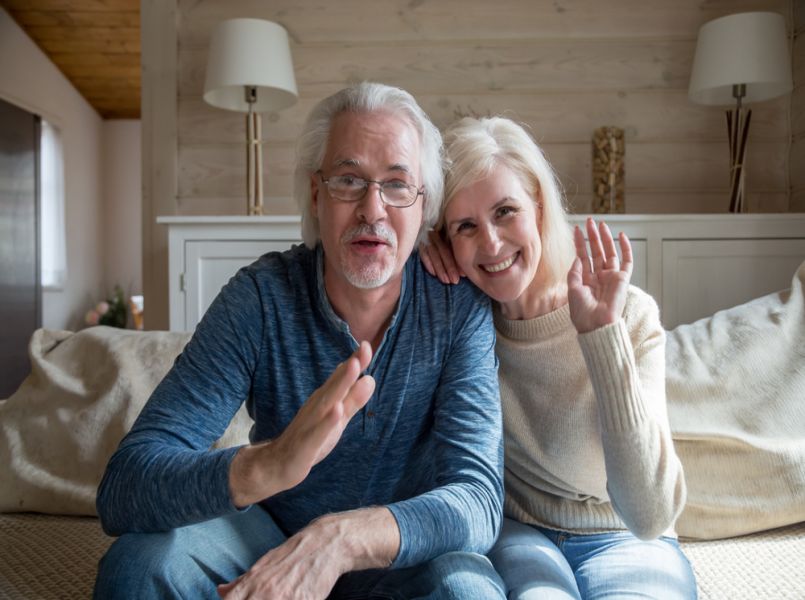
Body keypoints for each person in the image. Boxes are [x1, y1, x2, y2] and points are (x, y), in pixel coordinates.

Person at [94, 83, 507, 600]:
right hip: (269, 542)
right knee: (140, 564)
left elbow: (478, 498)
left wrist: (337, 541)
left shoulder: (457, 306)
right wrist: (266, 464)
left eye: (397, 184)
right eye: (348, 180)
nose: (372, 209)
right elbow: (125, 486)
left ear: (423, 206)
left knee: (469, 592)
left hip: (407, 554)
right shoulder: (260, 298)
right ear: (315, 193)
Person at [420, 116, 697, 599]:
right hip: (522, 533)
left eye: (505, 211)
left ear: (540, 207)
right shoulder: (464, 320)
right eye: (465, 226)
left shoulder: (630, 314)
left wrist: (601, 336)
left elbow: (650, 515)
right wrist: (416, 245)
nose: (490, 243)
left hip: (626, 537)